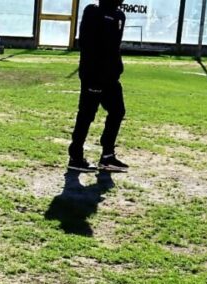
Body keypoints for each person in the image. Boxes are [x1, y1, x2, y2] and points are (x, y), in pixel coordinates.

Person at [68, 0, 129, 173]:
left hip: (111, 77)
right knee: (87, 114)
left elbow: (114, 47)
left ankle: (107, 156)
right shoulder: (93, 11)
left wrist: (117, 67)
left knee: (118, 111)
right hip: (93, 75)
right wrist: (93, 73)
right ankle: (76, 156)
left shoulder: (119, 16)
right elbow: (87, 45)